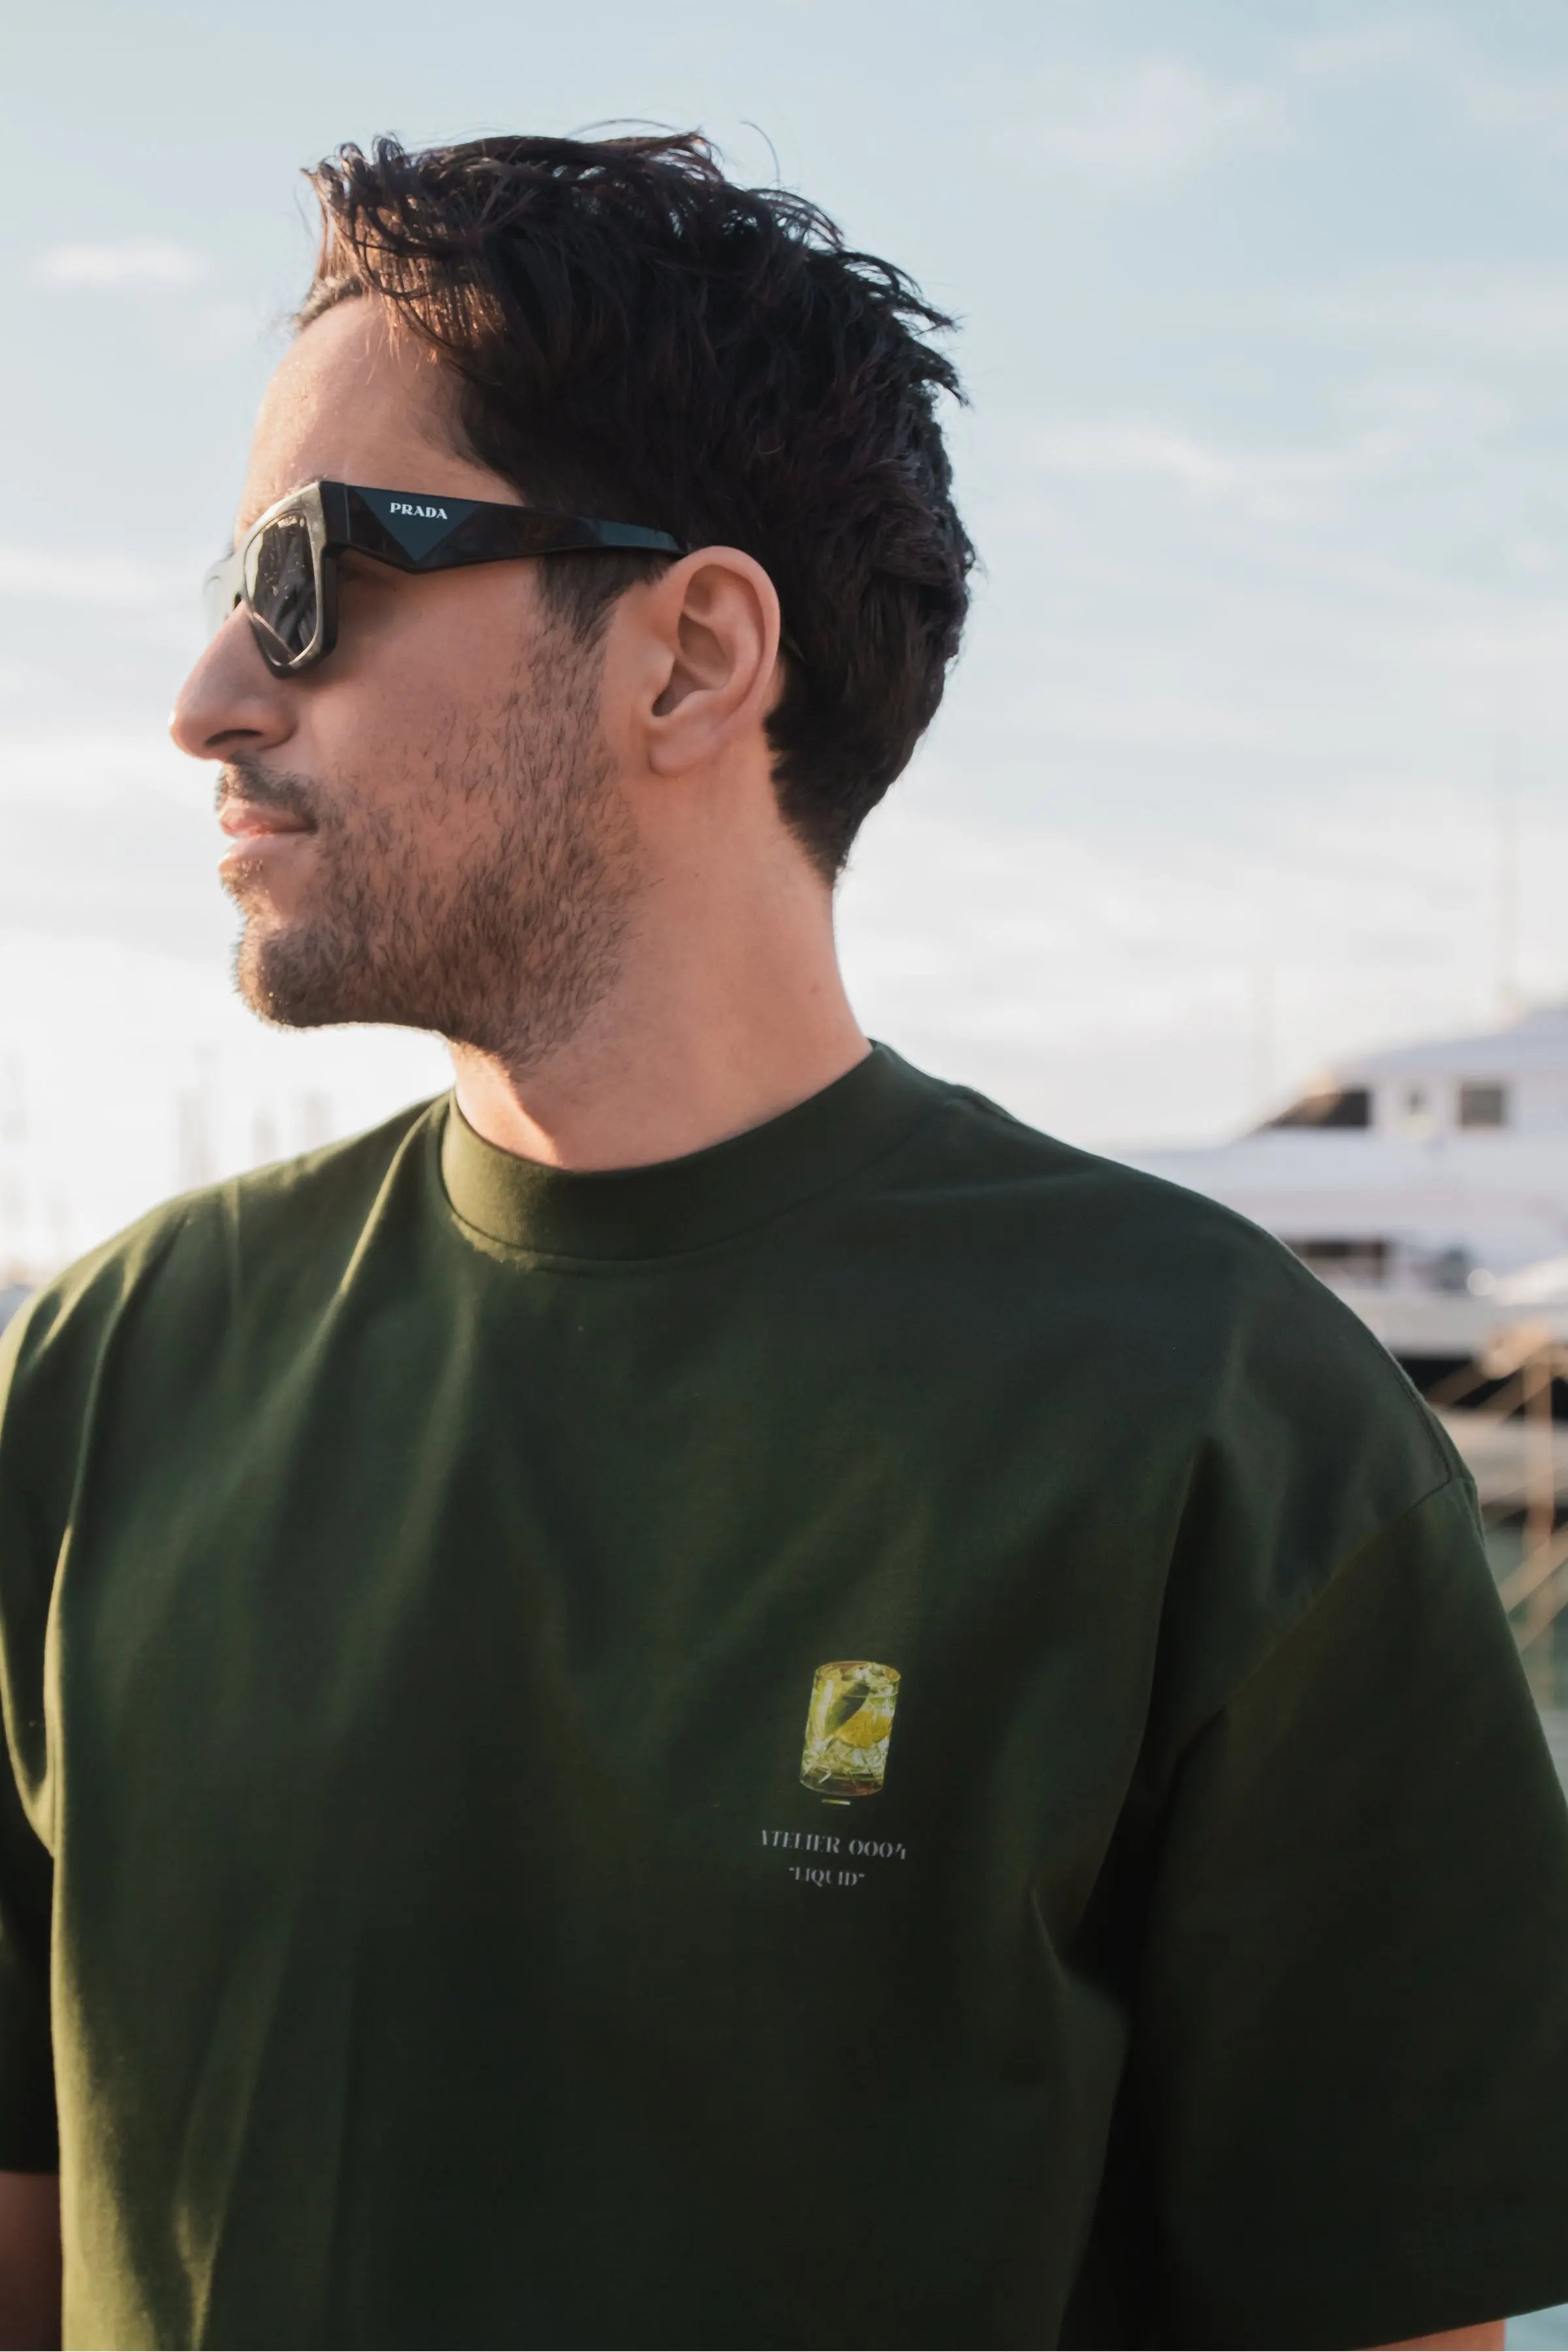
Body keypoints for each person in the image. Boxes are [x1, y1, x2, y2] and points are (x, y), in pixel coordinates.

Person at [0, 130, 1563, 2352]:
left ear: (692, 657)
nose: (209, 697)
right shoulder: (106, 1376)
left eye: (310, 572)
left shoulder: (1214, 1424)